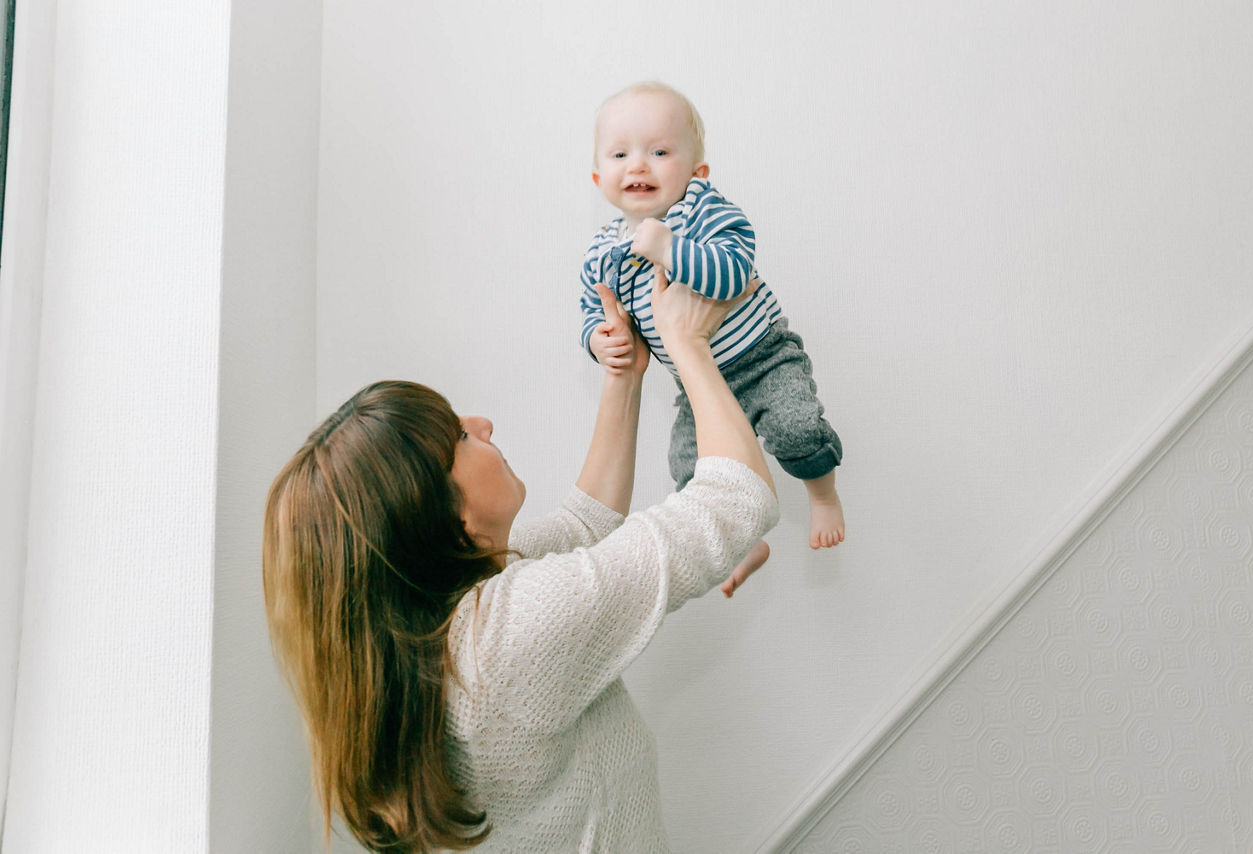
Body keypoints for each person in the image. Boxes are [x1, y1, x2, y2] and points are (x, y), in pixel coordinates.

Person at [262, 268, 779, 852]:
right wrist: (689, 345)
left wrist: (624, 376)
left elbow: (585, 527)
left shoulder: (448, 620)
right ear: (444, 518)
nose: (482, 424)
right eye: (457, 438)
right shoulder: (507, 636)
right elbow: (737, 500)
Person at [579, 81, 844, 596]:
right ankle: (745, 546)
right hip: (697, 387)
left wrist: (669, 247)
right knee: (689, 473)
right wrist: (598, 340)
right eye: (620, 154)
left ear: (696, 172)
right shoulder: (601, 251)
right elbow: (593, 308)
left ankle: (823, 493)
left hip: (762, 358)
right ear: (598, 177)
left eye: (659, 151)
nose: (638, 165)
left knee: (796, 426)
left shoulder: (703, 211)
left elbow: (732, 274)